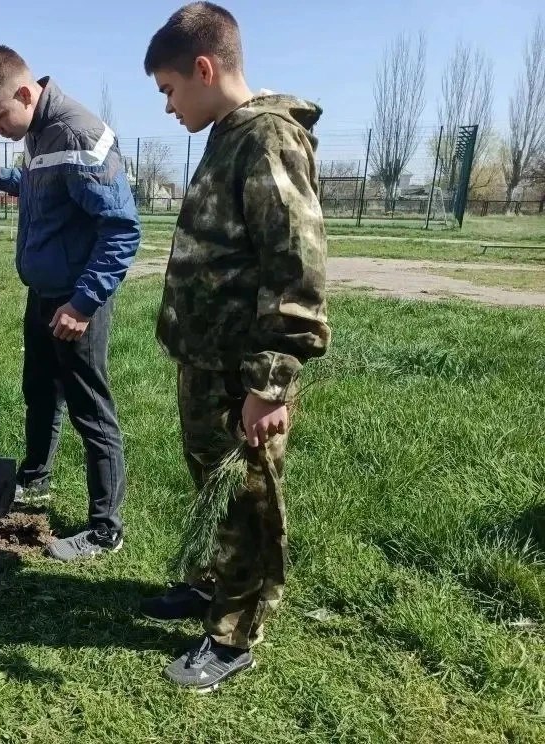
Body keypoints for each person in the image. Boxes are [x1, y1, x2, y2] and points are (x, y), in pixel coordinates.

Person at [139, 3, 331, 692]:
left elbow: (295, 267)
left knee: (248, 500)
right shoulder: (227, 135)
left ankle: (235, 634)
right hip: (206, 364)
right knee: (213, 490)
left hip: (245, 371)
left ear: (204, 67)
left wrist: (270, 382)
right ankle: (213, 587)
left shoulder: (268, 139)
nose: (167, 107)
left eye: (168, 90)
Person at [0, 46, 141, 562]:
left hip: (74, 299)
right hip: (44, 294)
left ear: (23, 93)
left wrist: (83, 305)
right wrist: (4, 179)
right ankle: (35, 479)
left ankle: (106, 528)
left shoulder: (78, 133)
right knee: (39, 389)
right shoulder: (39, 133)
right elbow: (51, 190)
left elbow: (121, 229)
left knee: (89, 405)